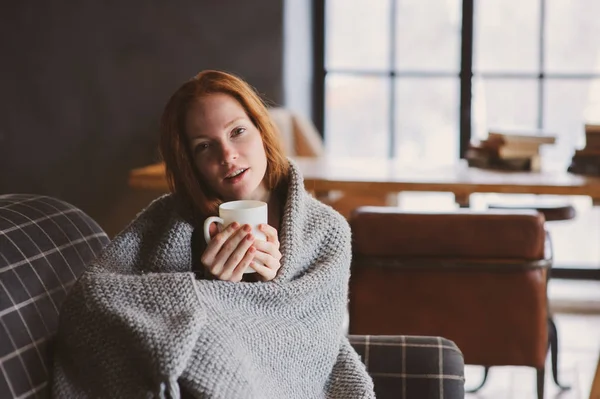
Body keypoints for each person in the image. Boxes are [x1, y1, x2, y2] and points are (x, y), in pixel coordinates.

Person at [51, 70, 375, 398]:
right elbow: (92, 298)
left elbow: (313, 346)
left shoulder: (326, 232)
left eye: (237, 131)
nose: (227, 155)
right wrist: (209, 289)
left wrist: (266, 293)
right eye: (205, 146)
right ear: (189, 161)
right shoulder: (163, 222)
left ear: (262, 131)